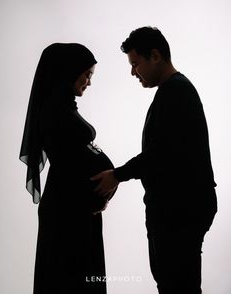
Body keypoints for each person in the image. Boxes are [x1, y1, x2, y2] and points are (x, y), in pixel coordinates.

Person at [91, 27, 218, 294]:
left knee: (177, 286)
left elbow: (161, 153)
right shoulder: (173, 91)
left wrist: (117, 175)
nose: (133, 72)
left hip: (179, 211)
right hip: (177, 210)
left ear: (156, 55)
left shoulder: (177, 91)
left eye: (136, 64)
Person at [19, 43, 116, 294]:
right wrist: (93, 195)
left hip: (76, 209)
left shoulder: (64, 106)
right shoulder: (53, 111)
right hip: (68, 212)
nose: (89, 82)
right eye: (87, 75)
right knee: (71, 280)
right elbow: (69, 167)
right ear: (67, 72)